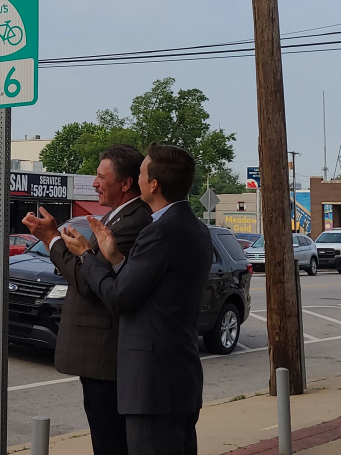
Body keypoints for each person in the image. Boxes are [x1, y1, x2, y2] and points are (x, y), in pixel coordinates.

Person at [60, 144, 213, 455]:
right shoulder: (196, 228)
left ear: (152, 184)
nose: (138, 177)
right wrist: (115, 257)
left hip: (153, 382)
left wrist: (87, 256)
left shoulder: (159, 232)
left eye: (142, 173)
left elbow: (118, 298)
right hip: (180, 376)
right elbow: (152, 287)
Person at [22, 144, 152, 455]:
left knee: (110, 440)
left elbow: (86, 280)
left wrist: (52, 240)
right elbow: (89, 267)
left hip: (105, 355)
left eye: (100, 177)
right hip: (100, 356)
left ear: (125, 183)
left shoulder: (133, 221)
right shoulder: (116, 217)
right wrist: (62, 240)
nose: (94, 183)